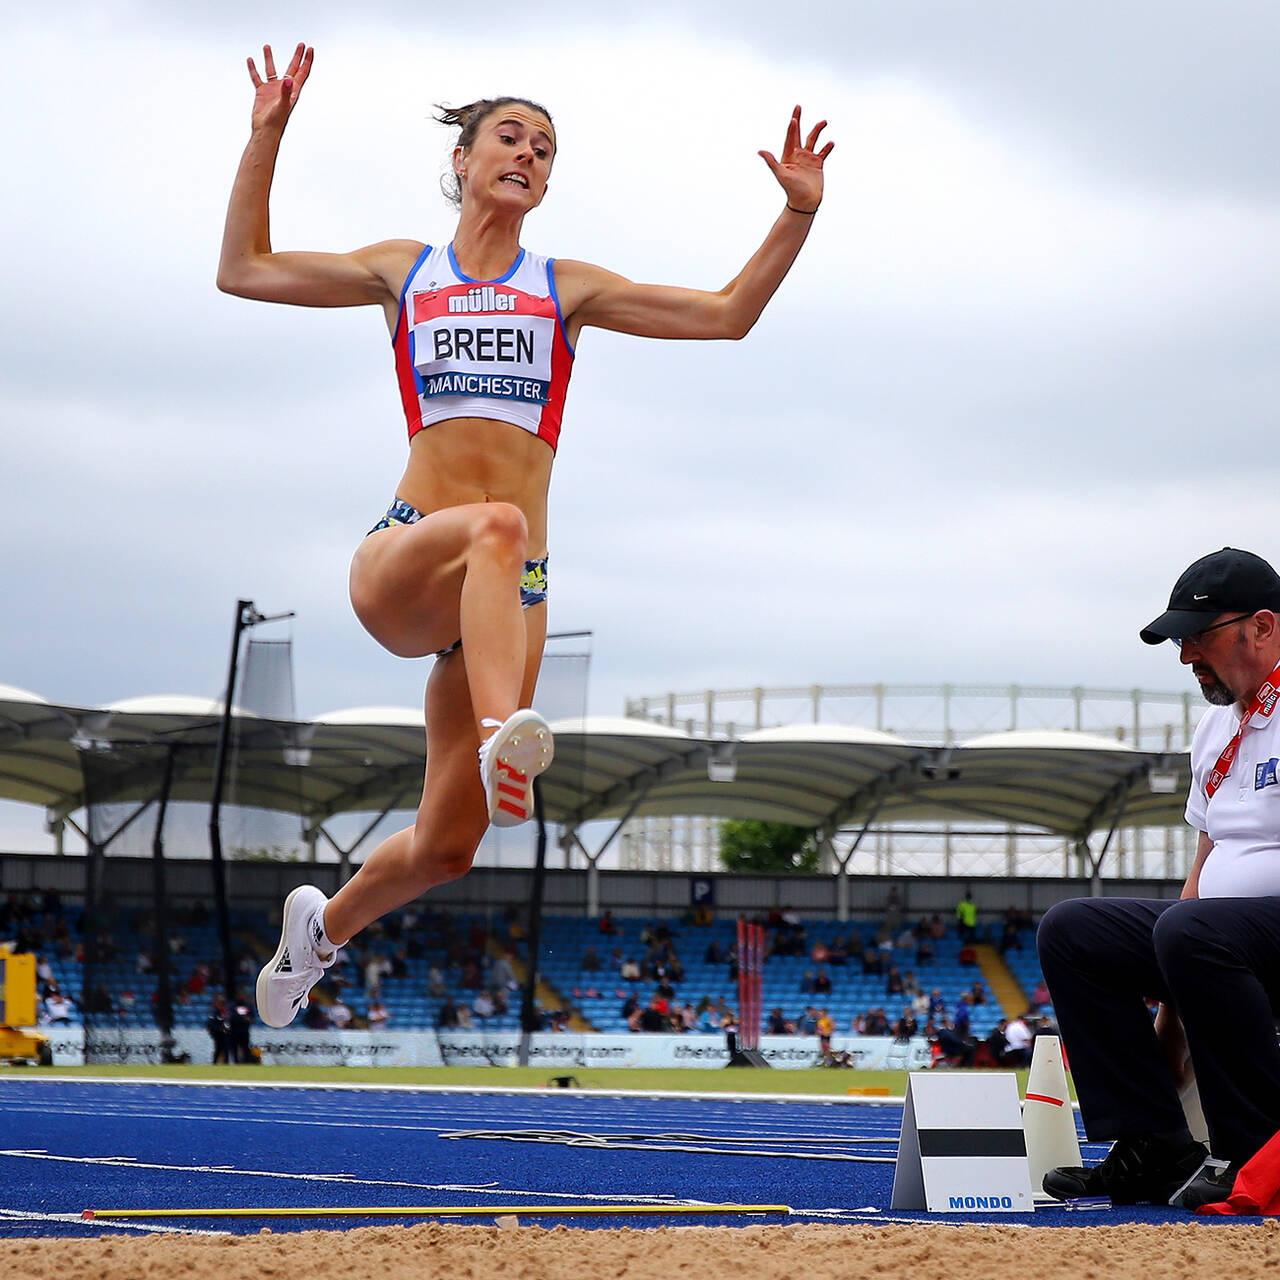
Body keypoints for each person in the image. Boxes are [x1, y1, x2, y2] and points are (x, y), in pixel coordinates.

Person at [227, 44, 833, 1030]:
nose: (529, 155)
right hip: (410, 553)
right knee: (498, 524)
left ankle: (318, 933)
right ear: (461, 161)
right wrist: (266, 136)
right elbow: (243, 268)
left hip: (508, 596)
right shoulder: (402, 272)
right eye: (510, 136)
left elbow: (727, 315)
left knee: (446, 847)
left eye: (545, 149)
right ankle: (500, 726)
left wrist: (796, 211)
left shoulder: (565, 288)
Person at [1039, 548, 1280, 1211]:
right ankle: (1152, 1143)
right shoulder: (1214, 729)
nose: (1185, 656)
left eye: (1197, 637)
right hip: (1216, 936)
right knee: (1074, 929)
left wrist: (1198, 935)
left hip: (1262, 934)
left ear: (1261, 627)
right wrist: (1166, 1039)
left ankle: (1254, 1152)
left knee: (1195, 929)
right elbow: (1202, 873)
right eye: (1179, 641)